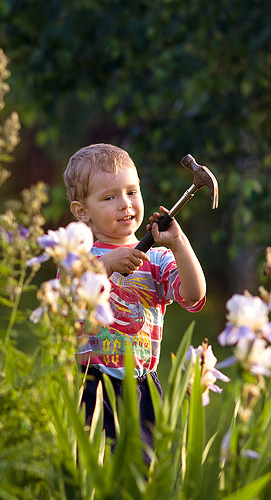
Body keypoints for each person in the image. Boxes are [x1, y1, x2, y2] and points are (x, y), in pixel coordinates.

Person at [63, 143, 207, 466]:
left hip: (143, 388)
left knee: (144, 472)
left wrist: (179, 243)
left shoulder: (156, 259)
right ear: (81, 211)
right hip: (93, 384)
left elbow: (194, 293)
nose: (125, 204)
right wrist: (109, 264)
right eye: (109, 197)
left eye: (132, 192)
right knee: (95, 467)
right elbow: (66, 300)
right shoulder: (77, 259)